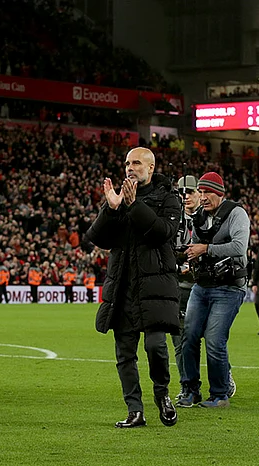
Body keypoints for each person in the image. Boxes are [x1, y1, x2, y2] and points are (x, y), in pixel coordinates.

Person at [86, 147, 179, 429]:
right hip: (122, 286)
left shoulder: (168, 197)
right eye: (126, 162)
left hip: (153, 286)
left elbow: (163, 233)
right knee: (124, 354)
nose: (129, 167)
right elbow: (97, 238)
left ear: (150, 168)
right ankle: (134, 410)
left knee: (155, 346)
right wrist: (112, 208)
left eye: (136, 163)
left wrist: (133, 204)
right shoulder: (120, 201)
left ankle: (162, 395)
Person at [178, 172, 249, 409]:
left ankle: (220, 395)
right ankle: (190, 390)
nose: (204, 197)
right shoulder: (200, 216)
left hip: (229, 288)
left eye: (208, 192)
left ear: (219, 193)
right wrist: (190, 255)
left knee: (215, 339)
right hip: (203, 285)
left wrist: (205, 249)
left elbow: (239, 247)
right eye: (202, 192)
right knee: (188, 336)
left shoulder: (236, 213)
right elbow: (197, 247)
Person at [172, 175, 200, 402]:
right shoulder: (171, 221)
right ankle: (187, 385)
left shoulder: (211, 219)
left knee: (213, 339)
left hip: (205, 287)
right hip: (178, 288)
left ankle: (222, 375)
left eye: (190, 192)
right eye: (182, 193)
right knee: (180, 340)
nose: (186, 197)